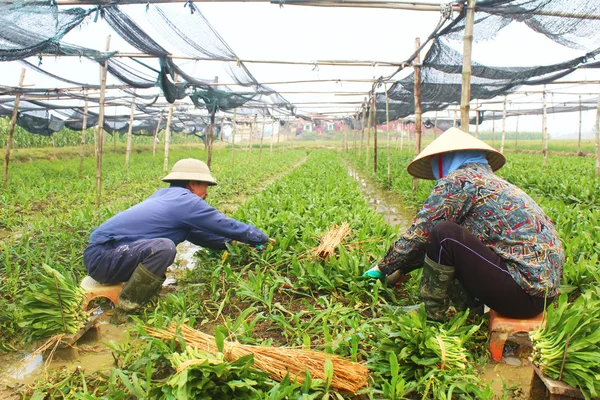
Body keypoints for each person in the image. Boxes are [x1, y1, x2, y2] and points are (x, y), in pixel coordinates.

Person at [364, 127, 564, 321]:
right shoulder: (489, 182)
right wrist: (402, 268)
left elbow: (421, 233)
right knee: (456, 239)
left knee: (444, 233)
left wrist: (383, 267)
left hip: (522, 293)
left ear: (447, 158)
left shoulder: (459, 181)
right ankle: (470, 308)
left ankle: (431, 314)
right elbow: (451, 247)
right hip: (541, 294)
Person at [83, 158, 271, 322]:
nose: (206, 192)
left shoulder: (168, 197)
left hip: (106, 254)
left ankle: (139, 296)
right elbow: (225, 224)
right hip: (104, 256)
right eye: (205, 186)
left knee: (162, 246)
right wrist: (261, 238)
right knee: (163, 247)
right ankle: (127, 309)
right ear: (192, 184)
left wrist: (233, 245)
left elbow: (201, 236)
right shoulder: (186, 202)